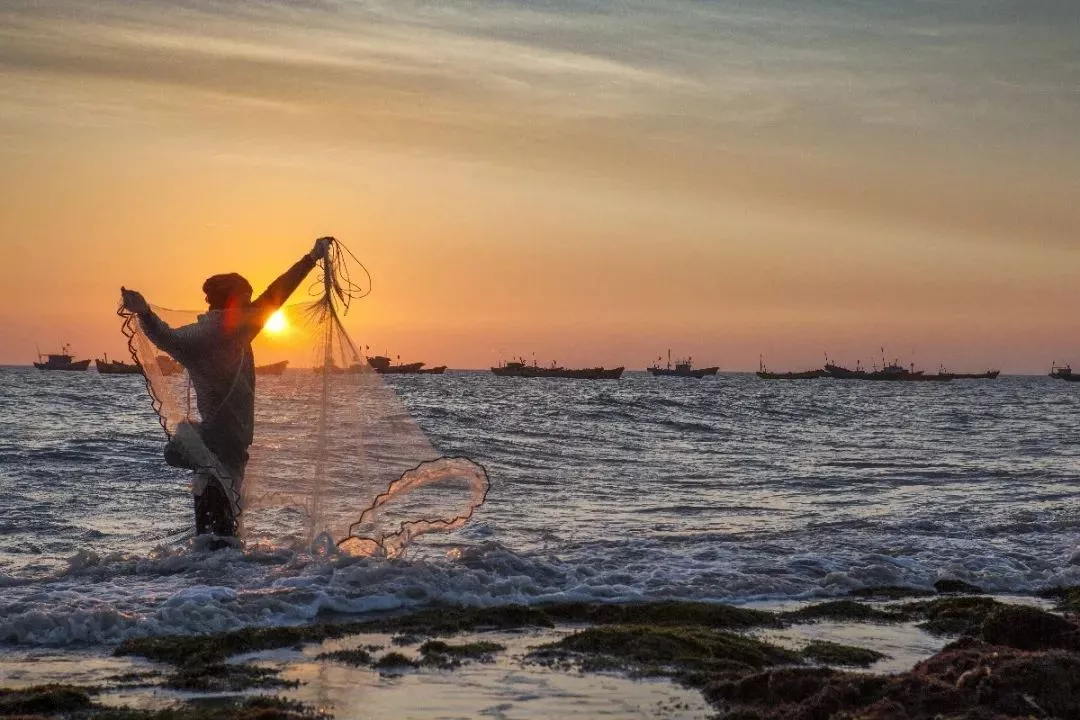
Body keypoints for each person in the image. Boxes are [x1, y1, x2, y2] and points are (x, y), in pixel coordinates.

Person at [120, 237, 334, 539]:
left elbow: (274, 295)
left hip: (226, 446)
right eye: (246, 298)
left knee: (219, 535)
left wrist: (310, 258)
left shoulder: (238, 328)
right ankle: (214, 579)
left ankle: (214, 579)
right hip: (217, 447)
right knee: (219, 536)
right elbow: (167, 337)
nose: (251, 304)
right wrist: (145, 313)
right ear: (233, 301)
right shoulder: (212, 334)